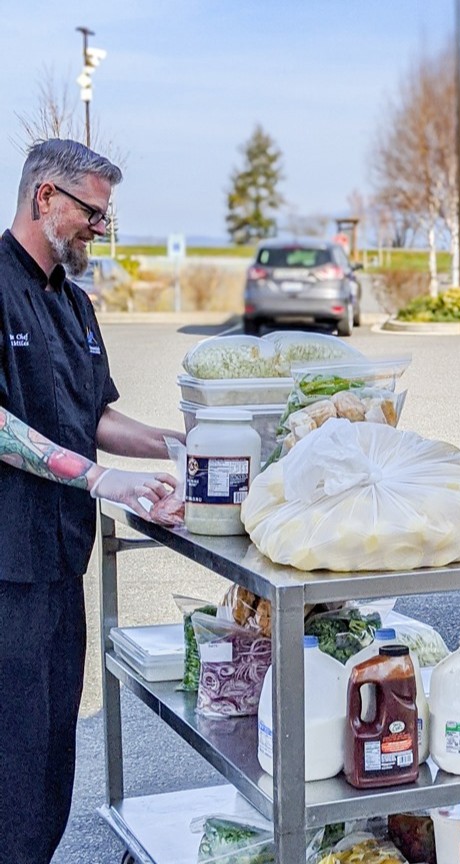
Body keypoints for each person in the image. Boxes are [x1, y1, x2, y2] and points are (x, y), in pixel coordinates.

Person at [0, 139, 186, 864]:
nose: (98, 230)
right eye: (92, 213)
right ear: (46, 197)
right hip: (6, 572)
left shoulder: (75, 305)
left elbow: (95, 415)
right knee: (10, 767)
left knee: (51, 762)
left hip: (58, 568)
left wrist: (173, 444)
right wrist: (99, 478)